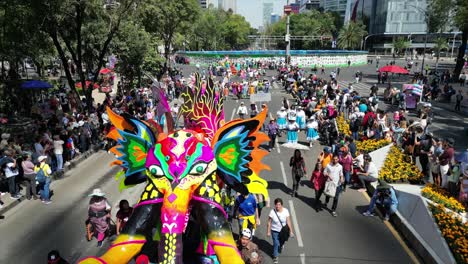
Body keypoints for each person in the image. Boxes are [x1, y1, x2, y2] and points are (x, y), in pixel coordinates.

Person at [267, 198, 294, 264]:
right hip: (274, 230)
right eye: (276, 204)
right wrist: (268, 231)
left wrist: (291, 231)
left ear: (282, 205)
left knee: (282, 242)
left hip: (283, 230)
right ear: (275, 205)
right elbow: (269, 222)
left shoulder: (286, 211)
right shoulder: (272, 212)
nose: (278, 206)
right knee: (276, 243)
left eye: (279, 204)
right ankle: (275, 257)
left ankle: (281, 245)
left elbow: (288, 221)